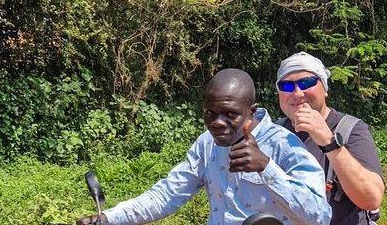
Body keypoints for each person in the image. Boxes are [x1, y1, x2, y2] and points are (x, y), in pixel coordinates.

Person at [76, 68, 331, 225]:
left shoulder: (284, 145)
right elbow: (167, 195)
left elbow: (319, 216)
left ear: (250, 112)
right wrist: (109, 218)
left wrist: (266, 168)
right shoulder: (207, 145)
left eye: (230, 114)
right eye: (210, 113)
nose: (217, 123)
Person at [275, 52, 384, 225]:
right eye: (286, 86)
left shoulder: (351, 130)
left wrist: (329, 142)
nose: (297, 93)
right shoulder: (274, 133)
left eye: (307, 82)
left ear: (325, 89)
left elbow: (371, 198)